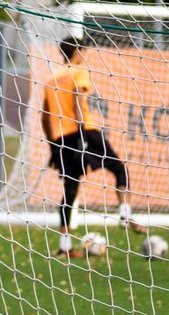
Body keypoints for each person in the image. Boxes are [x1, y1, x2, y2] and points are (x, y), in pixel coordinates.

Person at [42, 37, 137, 258]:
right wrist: (83, 136)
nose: (85, 55)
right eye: (83, 51)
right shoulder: (78, 71)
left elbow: (44, 117)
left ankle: (64, 247)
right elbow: (77, 100)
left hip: (61, 138)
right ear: (77, 51)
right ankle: (125, 214)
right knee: (119, 168)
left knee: (70, 188)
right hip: (84, 131)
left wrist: (52, 145)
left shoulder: (50, 78)